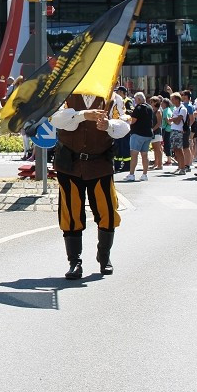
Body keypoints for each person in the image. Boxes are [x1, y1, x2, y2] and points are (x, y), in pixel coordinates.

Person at [50, 90, 130, 280]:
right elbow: (56, 119)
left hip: (100, 164)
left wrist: (108, 125)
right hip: (70, 164)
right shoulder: (66, 94)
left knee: (107, 212)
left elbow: (124, 125)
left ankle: (104, 255)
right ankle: (74, 261)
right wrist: (83, 115)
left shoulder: (112, 97)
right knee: (71, 213)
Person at [124, 92, 153, 181]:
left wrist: (127, 120)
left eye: (136, 100)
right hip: (148, 134)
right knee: (145, 155)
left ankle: (132, 174)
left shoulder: (138, 108)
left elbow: (133, 120)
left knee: (134, 154)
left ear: (139, 99)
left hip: (138, 134)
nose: (135, 102)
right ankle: (144, 174)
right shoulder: (150, 107)